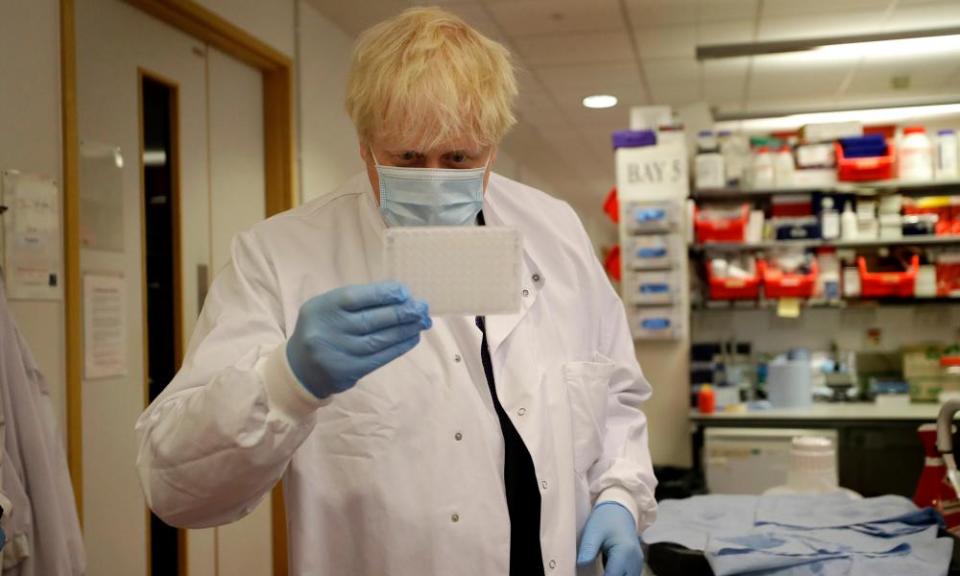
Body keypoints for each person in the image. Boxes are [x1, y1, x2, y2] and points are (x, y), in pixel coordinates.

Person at [135, 7, 657, 576]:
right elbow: (177, 491)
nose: (434, 177)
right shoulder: (278, 257)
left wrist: (619, 496)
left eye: (459, 158)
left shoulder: (553, 229)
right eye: (408, 158)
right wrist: (285, 382)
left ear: (493, 148)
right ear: (364, 145)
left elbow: (614, 398)